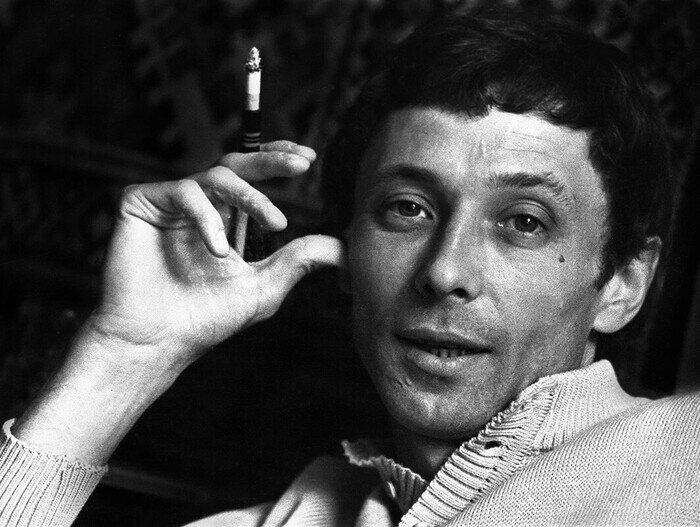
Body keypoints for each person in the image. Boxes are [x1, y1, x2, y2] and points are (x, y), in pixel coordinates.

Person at [1, 9, 699, 527]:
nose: (445, 272)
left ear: (624, 282)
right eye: (408, 208)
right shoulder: (304, 513)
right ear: (344, 252)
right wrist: (124, 354)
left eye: (524, 222)